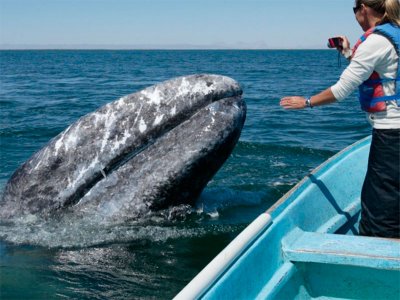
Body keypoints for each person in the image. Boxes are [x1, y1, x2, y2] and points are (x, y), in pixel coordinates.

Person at [280, 0, 400, 238]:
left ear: (364, 8)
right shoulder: (393, 35)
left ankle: (378, 260)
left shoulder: (375, 41)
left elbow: (341, 90)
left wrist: (306, 102)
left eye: (355, 9)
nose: (355, 14)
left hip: (392, 134)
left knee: (380, 209)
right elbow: (381, 72)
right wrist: (347, 53)